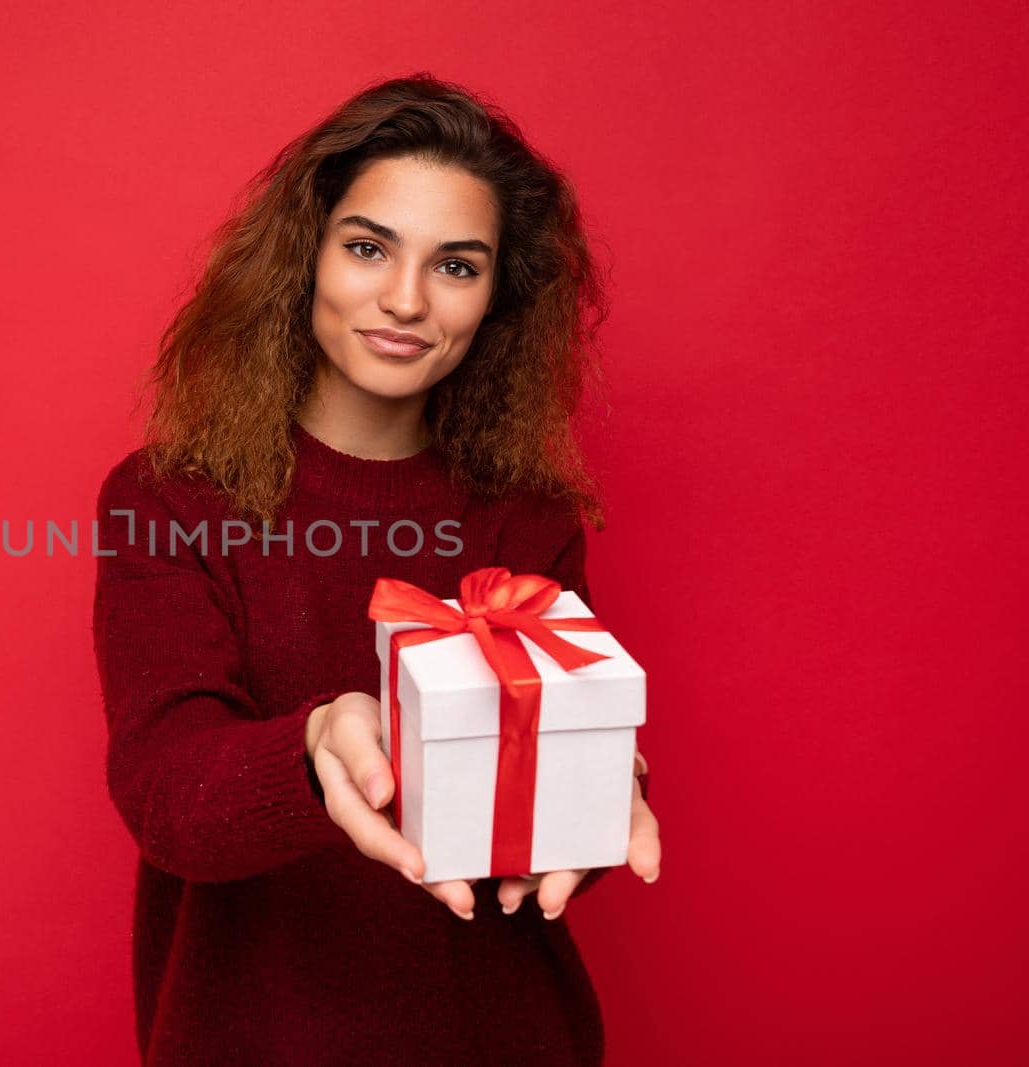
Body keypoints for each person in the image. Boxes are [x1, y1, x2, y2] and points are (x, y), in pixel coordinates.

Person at [92, 73, 661, 1065]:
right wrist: (317, 744)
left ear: (497, 298)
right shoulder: (167, 499)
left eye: (456, 265)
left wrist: (592, 785)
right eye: (367, 247)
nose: (405, 298)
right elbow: (166, 793)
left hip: (503, 1032)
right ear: (304, 256)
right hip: (251, 1036)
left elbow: (538, 830)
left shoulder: (527, 519)